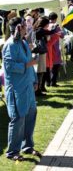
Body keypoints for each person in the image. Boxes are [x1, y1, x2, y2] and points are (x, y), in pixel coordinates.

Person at [3, 17, 41, 161]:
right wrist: (28, 65)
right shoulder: (10, 45)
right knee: (18, 118)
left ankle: (27, 146)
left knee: (31, 114)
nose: (27, 27)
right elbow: (9, 67)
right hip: (17, 89)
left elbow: (28, 62)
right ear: (18, 27)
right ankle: (12, 151)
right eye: (25, 25)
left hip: (28, 87)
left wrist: (35, 79)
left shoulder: (24, 42)